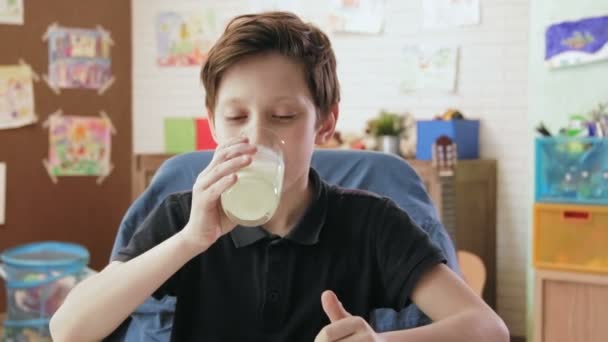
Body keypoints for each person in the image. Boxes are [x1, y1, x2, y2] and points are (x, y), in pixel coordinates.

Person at [50, 11, 509, 342]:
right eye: (235, 117)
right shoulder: (182, 218)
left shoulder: (372, 224)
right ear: (212, 122)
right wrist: (191, 239)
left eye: (284, 116)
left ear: (325, 123)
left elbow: (488, 329)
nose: (256, 137)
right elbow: (68, 329)